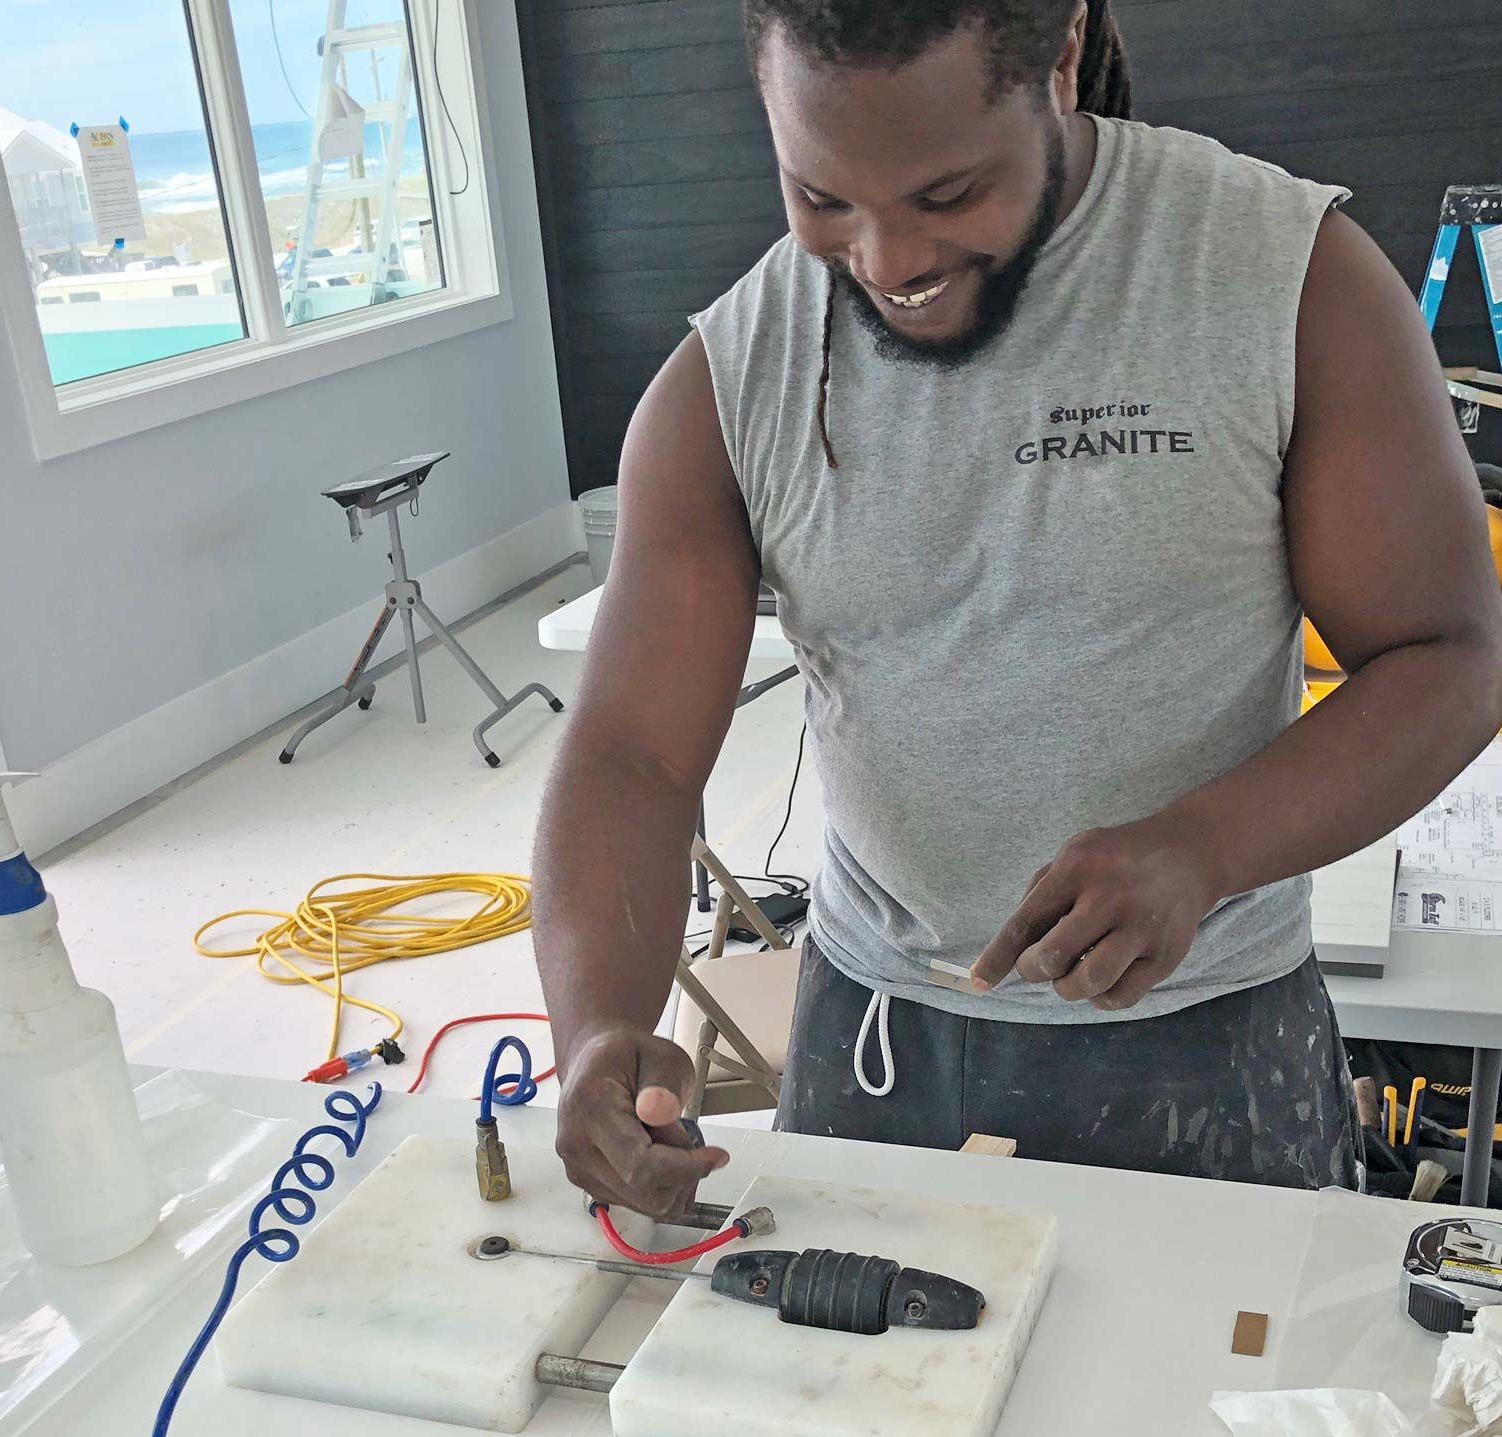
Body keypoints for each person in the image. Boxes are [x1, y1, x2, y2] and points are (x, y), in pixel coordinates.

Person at [532, 0, 1502, 1218]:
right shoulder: (730, 380)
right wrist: (597, 1028)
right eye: (822, 198)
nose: (887, 263)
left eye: (947, 196)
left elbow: (1449, 656)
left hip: (1208, 1032)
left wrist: (1207, 844)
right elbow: (631, 751)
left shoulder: (1279, 277)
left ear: (1057, 60)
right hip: (877, 1032)